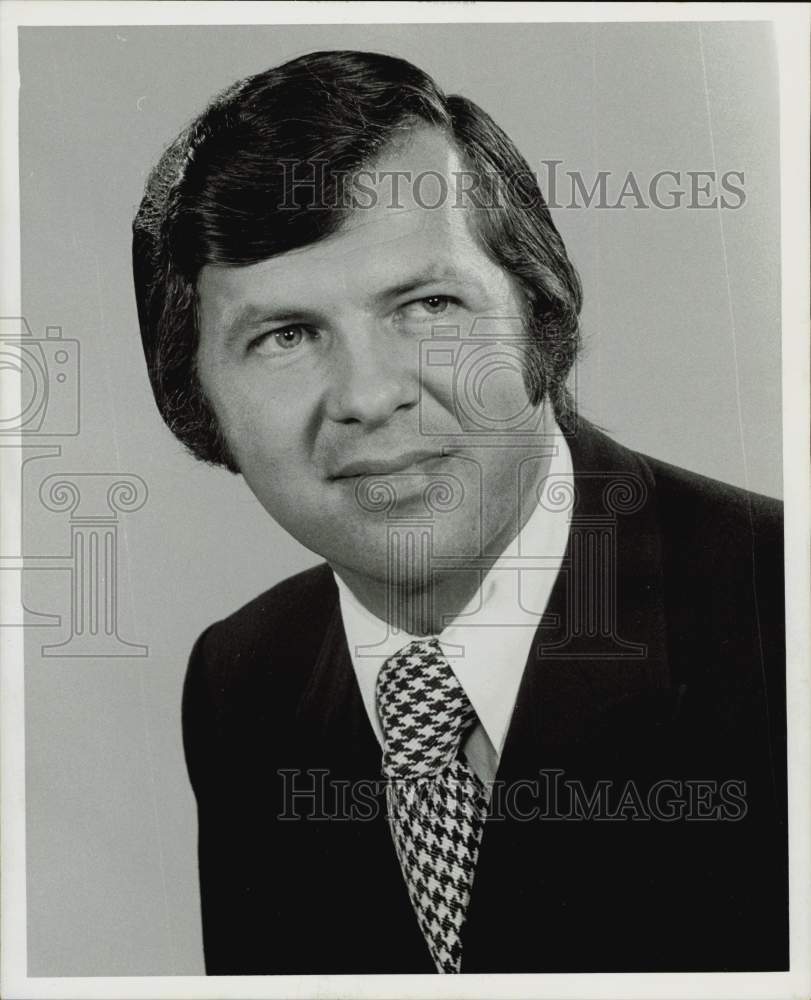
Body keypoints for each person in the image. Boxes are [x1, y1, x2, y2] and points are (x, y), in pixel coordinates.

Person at [132, 50, 787, 975]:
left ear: (540, 318)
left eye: (429, 304)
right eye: (284, 335)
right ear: (197, 403)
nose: (367, 396)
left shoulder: (779, 610)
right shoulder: (242, 680)